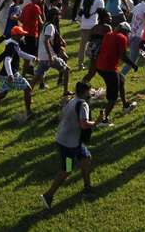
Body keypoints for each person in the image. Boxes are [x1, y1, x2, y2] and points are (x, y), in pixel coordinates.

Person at [40, 80, 101, 210]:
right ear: (85, 92)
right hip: (69, 145)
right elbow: (84, 124)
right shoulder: (83, 105)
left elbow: (60, 117)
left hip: (70, 140)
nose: (90, 93)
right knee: (67, 169)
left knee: (87, 158)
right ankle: (48, 195)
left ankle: (87, 187)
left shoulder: (70, 101)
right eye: (89, 91)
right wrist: (97, 122)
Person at [93, 17, 139, 127]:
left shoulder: (109, 34)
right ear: (126, 31)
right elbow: (123, 56)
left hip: (100, 66)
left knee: (121, 79)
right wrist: (133, 65)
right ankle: (103, 120)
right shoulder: (122, 38)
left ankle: (126, 105)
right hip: (109, 69)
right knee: (112, 97)